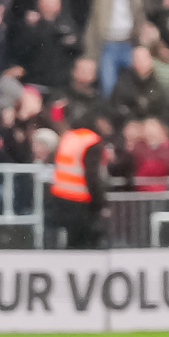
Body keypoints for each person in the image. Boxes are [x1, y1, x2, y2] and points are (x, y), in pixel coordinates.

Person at [44, 107, 110, 250]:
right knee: (85, 245)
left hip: (60, 197)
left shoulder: (69, 137)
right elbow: (93, 176)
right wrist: (100, 203)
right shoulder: (91, 141)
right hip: (80, 201)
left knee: (71, 244)